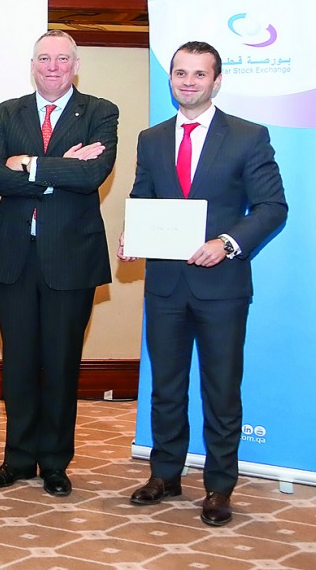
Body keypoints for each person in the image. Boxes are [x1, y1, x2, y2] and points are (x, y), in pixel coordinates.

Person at [120, 41, 286, 527]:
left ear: (217, 81)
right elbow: (143, 197)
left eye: (199, 74)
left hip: (223, 287)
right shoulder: (151, 139)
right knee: (166, 388)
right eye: (180, 73)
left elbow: (273, 207)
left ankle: (218, 486)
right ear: (171, 78)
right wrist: (135, 232)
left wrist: (228, 242)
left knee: (220, 389)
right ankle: (165, 474)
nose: (188, 81)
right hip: (167, 286)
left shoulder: (249, 136)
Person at [0, 30, 119, 497]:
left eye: (62, 59)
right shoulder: (7, 111)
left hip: (72, 260)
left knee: (61, 364)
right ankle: (17, 458)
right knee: (18, 364)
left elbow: (93, 174)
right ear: (32, 64)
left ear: (76, 65)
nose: (53, 66)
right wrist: (60, 166)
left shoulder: (100, 111)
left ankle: (55, 462)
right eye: (44, 58)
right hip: (16, 256)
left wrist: (30, 165)